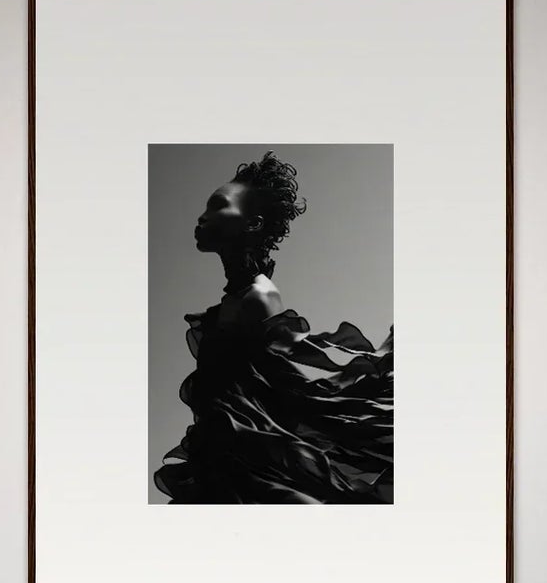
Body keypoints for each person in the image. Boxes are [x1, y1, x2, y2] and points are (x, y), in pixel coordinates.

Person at [154, 151, 393, 504]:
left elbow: (292, 384)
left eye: (218, 206)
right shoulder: (234, 299)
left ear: (252, 225)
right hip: (220, 453)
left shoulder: (259, 298)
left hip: (245, 458)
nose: (202, 217)